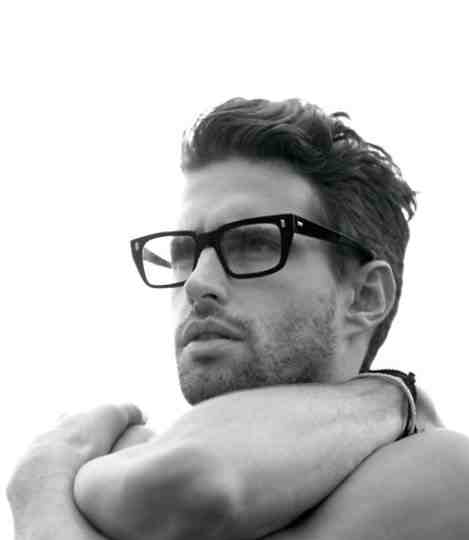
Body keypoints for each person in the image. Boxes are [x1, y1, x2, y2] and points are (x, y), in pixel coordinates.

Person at [7, 98, 469, 539]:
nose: (197, 281)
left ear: (364, 297)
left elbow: (188, 483)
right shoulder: (136, 451)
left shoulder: (445, 472)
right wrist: (386, 400)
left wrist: (42, 495)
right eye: (184, 253)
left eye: (254, 244)